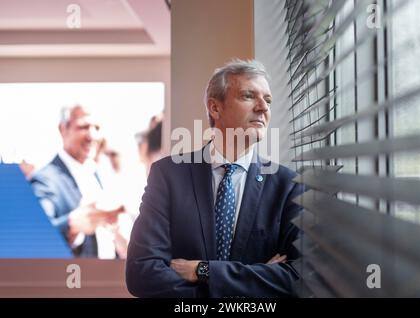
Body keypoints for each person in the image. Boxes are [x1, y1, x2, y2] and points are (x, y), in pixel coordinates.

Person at [126, 59, 304, 297]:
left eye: (268, 100)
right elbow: (142, 273)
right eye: (249, 96)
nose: (263, 107)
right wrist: (250, 283)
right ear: (215, 108)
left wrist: (204, 271)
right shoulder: (168, 176)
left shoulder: (288, 186)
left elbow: (298, 278)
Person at [30, 105, 124, 257]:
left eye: (97, 128)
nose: (93, 136)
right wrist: (72, 225)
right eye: (84, 126)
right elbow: (36, 237)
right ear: (63, 129)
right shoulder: (45, 180)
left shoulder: (96, 173)